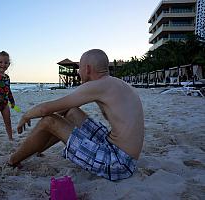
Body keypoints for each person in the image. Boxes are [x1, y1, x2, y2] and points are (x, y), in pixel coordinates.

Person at [8, 49, 145, 181]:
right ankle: (36, 148)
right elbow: (65, 108)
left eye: (79, 67)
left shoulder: (97, 85)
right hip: (118, 149)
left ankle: (12, 161)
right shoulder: (116, 83)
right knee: (71, 111)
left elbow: (45, 109)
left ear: (88, 69)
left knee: (49, 121)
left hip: (118, 162)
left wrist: (25, 116)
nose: (78, 72)